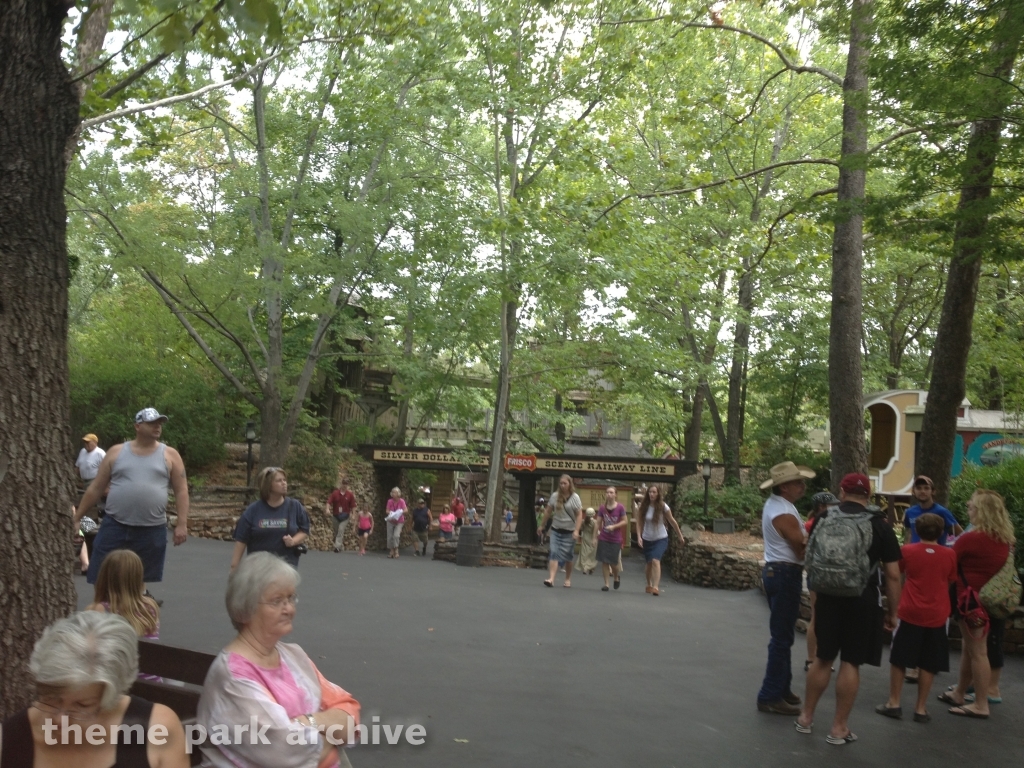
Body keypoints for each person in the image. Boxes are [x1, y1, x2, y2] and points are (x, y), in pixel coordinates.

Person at [197, 552, 360, 767]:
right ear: (245, 608)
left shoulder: (293, 655)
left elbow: (349, 709)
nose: (290, 609)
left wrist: (308, 721)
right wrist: (332, 734)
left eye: (291, 598)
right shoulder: (233, 676)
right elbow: (285, 753)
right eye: (277, 601)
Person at [0, 611, 188, 768]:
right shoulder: (11, 739)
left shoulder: (156, 729)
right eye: (51, 698)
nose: (59, 719)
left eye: (82, 705)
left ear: (111, 699)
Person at [796, 473, 902, 745]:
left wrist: (817, 600)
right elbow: (892, 574)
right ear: (868, 495)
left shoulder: (822, 518)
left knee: (822, 658)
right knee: (851, 662)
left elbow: (810, 559)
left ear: (842, 492)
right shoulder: (879, 524)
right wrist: (893, 612)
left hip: (829, 597)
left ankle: (806, 718)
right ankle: (839, 728)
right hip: (862, 598)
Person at [74, 408, 190, 594]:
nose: (157, 426)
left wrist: (182, 524)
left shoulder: (170, 455)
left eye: (159, 423)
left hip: (151, 528)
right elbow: (96, 488)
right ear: (137, 426)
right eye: (152, 423)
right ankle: (105, 610)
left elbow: (181, 490)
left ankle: (134, 615)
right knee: (101, 572)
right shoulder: (116, 452)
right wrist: (77, 517)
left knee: (139, 579)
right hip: (115, 525)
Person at [873, 512, 956, 723]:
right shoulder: (949, 555)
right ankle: (920, 708)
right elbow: (950, 579)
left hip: (910, 610)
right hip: (937, 613)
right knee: (929, 662)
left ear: (917, 531)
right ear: (941, 532)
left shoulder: (907, 551)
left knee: (900, 658)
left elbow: (894, 572)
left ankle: (894, 702)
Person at [939, 489, 1015, 719]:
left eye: (972, 507)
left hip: (970, 602)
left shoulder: (972, 539)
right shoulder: (1004, 540)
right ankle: (960, 692)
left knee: (978, 653)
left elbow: (949, 562)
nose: (968, 510)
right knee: (969, 649)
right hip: (986, 602)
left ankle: (981, 704)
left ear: (981, 511)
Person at [756, 461, 815, 716]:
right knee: (781, 637)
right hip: (785, 572)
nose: (803, 486)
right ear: (785, 487)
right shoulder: (784, 513)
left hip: (776, 570)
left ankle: (782, 687)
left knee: (783, 634)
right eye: (798, 482)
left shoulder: (779, 506)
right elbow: (799, 548)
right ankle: (770, 695)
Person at [231, 467, 310, 569]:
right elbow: (241, 540)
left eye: (284, 480)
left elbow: (304, 530)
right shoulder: (253, 510)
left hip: (285, 570)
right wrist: (234, 568)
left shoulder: (294, 506)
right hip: (258, 570)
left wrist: (293, 541)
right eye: (278, 480)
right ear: (267, 485)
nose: (284, 483)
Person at [803, 491, 838, 671]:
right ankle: (813, 658)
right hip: (818, 574)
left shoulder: (821, 522)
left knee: (822, 617)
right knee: (818, 616)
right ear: (821, 507)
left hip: (822, 574)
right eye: (832, 505)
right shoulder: (813, 524)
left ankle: (819, 657)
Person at [635, 484, 685, 597]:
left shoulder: (663, 506)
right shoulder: (644, 506)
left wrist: (680, 536)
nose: (652, 494)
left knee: (655, 560)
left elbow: (672, 521)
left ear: (658, 494)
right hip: (647, 538)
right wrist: (639, 536)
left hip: (660, 538)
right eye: (650, 492)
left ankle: (656, 586)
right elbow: (639, 522)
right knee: (649, 564)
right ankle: (649, 584)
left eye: (654, 492)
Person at [538, 475, 583, 588]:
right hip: (556, 530)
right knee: (553, 552)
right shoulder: (555, 496)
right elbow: (548, 511)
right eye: (561, 483)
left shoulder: (575, 497)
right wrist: (542, 525)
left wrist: (577, 530)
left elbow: (579, 515)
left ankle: (567, 579)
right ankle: (551, 579)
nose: (562, 486)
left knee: (568, 556)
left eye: (565, 483)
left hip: (569, 531)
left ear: (570, 484)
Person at [905, 475, 962, 546]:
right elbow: (910, 533)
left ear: (933, 491)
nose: (922, 491)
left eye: (926, 488)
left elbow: (961, 533)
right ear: (913, 491)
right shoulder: (910, 512)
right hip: (916, 554)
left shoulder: (942, 512)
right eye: (918, 488)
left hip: (936, 554)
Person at [597, 486, 627, 592]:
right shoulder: (602, 508)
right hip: (604, 537)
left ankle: (616, 576)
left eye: (611, 492)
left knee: (613, 562)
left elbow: (625, 521)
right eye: (607, 492)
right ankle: (606, 584)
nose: (609, 494)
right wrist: (594, 537)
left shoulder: (620, 507)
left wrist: (614, 526)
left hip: (615, 538)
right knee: (604, 561)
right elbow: (598, 522)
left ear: (615, 494)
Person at [325, 479, 357, 553]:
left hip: (345, 516)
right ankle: (340, 545)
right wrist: (327, 509)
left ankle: (337, 547)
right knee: (336, 531)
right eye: (344, 483)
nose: (345, 485)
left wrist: (353, 515)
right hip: (336, 515)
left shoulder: (350, 495)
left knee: (341, 530)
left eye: (346, 484)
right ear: (341, 484)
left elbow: (353, 506)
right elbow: (329, 502)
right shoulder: (335, 493)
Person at [575, 508, 598, 575]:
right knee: (592, 555)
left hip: (585, 538)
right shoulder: (595, 522)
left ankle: (585, 567)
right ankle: (591, 568)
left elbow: (581, 528)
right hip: (592, 538)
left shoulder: (583, 521)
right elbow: (596, 532)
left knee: (584, 554)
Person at [385, 487, 407, 558]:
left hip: (399, 521)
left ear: (398, 494)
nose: (393, 493)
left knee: (396, 535)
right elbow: (387, 511)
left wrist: (400, 512)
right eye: (392, 492)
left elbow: (406, 510)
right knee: (390, 536)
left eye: (394, 492)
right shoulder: (389, 501)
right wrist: (392, 513)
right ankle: (391, 551)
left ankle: (396, 550)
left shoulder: (402, 501)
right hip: (391, 520)